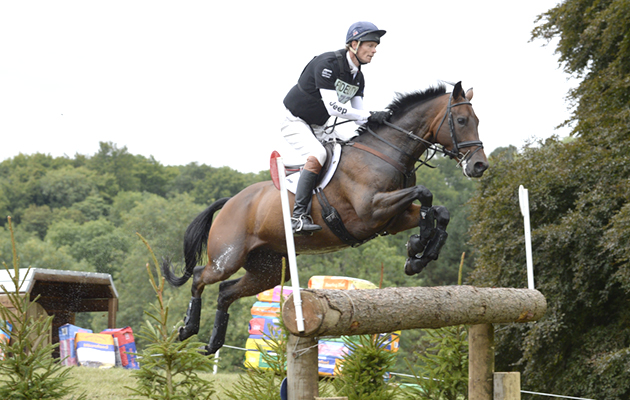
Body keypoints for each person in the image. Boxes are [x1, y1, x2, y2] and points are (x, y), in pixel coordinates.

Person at [282, 21, 391, 235]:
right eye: (370, 45)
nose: (375, 50)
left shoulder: (358, 77)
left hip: (319, 125)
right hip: (294, 120)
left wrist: (386, 121)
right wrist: (371, 115)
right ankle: (298, 217)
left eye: (375, 46)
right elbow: (334, 108)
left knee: (352, 149)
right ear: (354, 44)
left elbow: (360, 119)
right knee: (319, 153)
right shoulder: (328, 63)